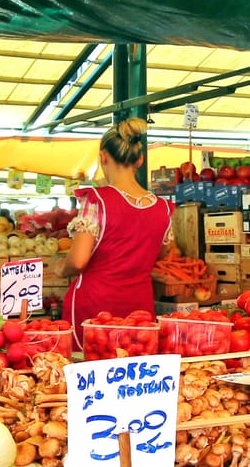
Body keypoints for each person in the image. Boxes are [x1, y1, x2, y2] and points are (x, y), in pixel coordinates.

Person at [62, 119, 172, 342]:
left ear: (103, 156)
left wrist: (61, 269)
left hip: (95, 308)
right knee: (136, 358)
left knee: (90, 360)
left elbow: (78, 261)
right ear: (140, 160)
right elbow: (163, 253)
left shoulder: (97, 200)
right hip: (139, 308)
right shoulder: (163, 208)